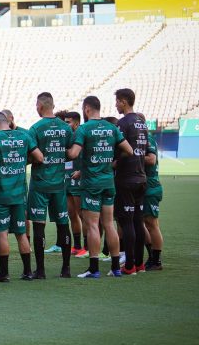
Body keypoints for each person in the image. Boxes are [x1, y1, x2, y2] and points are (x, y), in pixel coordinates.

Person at [67, 96, 133, 279]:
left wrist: (59, 152)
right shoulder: (111, 128)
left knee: (93, 225)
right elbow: (129, 150)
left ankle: (94, 269)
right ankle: (115, 268)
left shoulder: (84, 128)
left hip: (91, 184)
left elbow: (73, 154)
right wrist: (111, 163)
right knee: (109, 224)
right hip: (108, 182)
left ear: (87, 109)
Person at [0, 112, 43, 282]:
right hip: (20, 193)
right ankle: (28, 271)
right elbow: (39, 157)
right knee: (21, 233)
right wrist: (21, 161)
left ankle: (4, 273)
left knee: (2, 234)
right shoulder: (24, 136)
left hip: (1, 194)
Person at [27, 93, 73, 278]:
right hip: (59, 183)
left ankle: (41, 270)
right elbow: (71, 153)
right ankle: (66, 269)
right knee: (63, 224)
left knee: (39, 226)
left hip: (40, 183)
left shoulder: (36, 128)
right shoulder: (65, 128)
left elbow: (33, 156)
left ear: (40, 106)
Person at [114, 88, 149, 273]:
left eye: (117, 101)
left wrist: (113, 162)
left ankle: (129, 266)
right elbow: (145, 150)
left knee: (126, 222)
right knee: (138, 221)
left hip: (126, 178)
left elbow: (120, 150)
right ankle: (140, 264)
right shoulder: (142, 123)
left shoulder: (123, 123)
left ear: (124, 102)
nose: (116, 105)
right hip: (141, 177)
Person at [59, 110, 88, 258]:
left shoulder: (81, 136)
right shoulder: (66, 136)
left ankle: (87, 246)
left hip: (78, 180)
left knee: (82, 214)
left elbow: (90, 157)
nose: (66, 124)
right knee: (72, 214)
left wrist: (81, 171)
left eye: (68, 122)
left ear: (76, 123)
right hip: (67, 179)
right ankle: (76, 246)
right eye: (65, 122)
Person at [143, 128, 163, 271]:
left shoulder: (147, 138)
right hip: (144, 187)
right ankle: (151, 257)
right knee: (143, 223)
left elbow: (151, 159)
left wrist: (133, 156)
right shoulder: (142, 138)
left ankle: (156, 261)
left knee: (152, 224)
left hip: (150, 187)